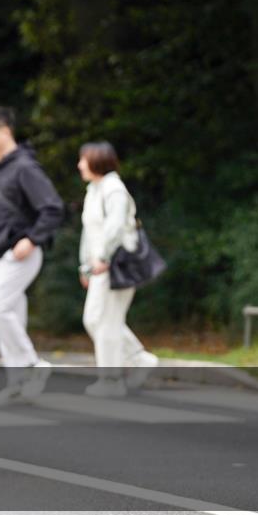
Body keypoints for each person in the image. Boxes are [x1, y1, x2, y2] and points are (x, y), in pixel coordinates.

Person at [0, 106, 64, 405]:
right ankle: (17, 383)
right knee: (10, 318)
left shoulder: (25, 167)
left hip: (18, 254)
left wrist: (33, 239)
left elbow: (52, 208)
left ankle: (32, 365)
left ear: (5, 131)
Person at [77, 141, 158, 397]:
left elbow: (114, 228)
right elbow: (89, 231)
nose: (79, 165)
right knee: (95, 319)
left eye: (83, 160)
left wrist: (101, 258)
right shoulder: (94, 189)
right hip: (100, 267)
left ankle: (111, 381)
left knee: (106, 323)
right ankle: (139, 359)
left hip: (116, 265)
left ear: (98, 161)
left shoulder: (113, 189)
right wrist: (85, 265)